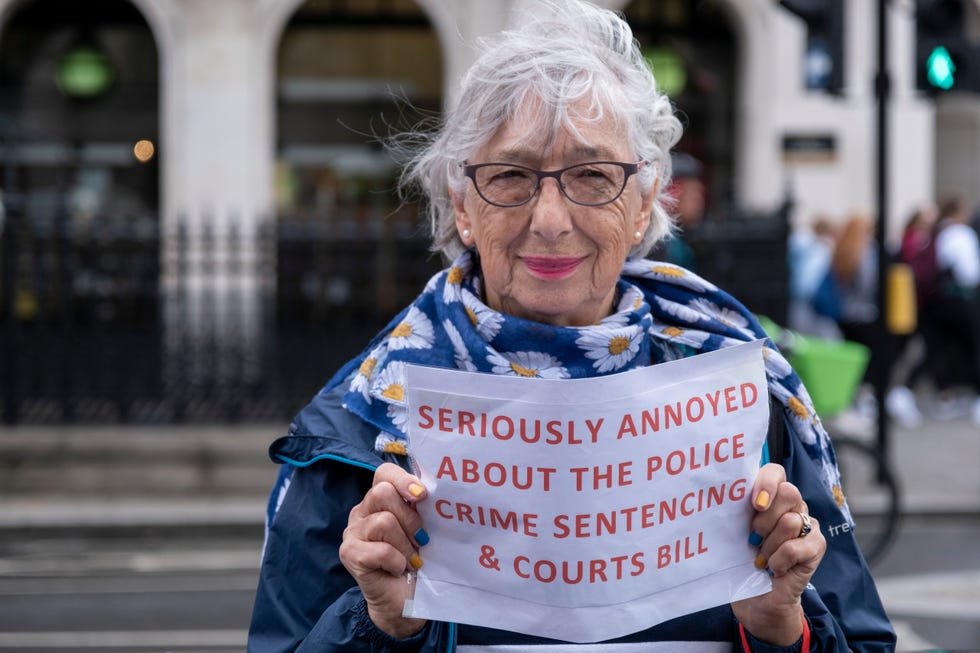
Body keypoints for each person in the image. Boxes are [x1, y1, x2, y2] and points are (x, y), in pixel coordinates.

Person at [247, 2, 896, 650]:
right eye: (511, 176)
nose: (552, 218)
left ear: (644, 203)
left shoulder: (753, 403)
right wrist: (381, 625)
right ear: (463, 206)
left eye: (592, 175)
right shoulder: (354, 427)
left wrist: (784, 629)